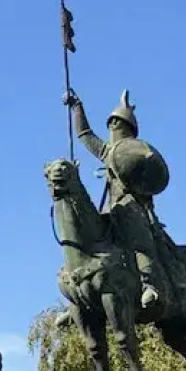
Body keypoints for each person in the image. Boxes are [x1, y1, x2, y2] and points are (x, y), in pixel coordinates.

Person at [65, 88, 170, 310]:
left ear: (127, 127)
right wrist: (77, 106)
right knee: (87, 236)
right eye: (112, 122)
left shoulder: (137, 150)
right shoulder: (107, 151)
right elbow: (84, 134)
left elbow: (149, 171)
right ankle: (81, 296)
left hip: (134, 208)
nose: (114, 126)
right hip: (112, 208)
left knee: (138, 239)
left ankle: (149, 285)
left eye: (117, 122)